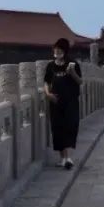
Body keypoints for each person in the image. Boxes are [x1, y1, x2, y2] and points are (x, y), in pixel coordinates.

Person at [43, 38, 82, 170]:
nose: (57, 51)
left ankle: (66, 158)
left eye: (59, 49)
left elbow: (80, 81)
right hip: (55, 101)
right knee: (57, 129)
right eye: (55, 49)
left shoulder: (73, 64)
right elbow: (46, 82)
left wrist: (72, 73)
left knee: (69, 126)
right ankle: (64, 158)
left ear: (65, 51)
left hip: (70, 101)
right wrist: (48, 94)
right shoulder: (50, 66)